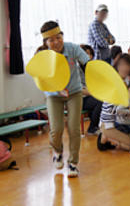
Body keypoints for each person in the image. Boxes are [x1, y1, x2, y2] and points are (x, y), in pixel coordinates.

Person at [37, 21, 90, 177]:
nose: (56, 42)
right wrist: (57, 89)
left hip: (74, 92)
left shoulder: (72, 48)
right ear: (46, 42)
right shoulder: (43, 56)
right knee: (56, 129)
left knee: (74, 128)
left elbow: (87, 62)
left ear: (62, 36)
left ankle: (73, 163)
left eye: (58, 37)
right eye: (51, 40)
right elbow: (41, 80)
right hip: (53, 95)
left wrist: (94, 73)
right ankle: (58, 152)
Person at [98, 54, 130, 151]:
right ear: (117, 65)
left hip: (122, 123)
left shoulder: (125, 82)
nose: (125, 68)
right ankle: (106, 137)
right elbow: (115, 110)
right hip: (109, 124)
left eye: (128, 66)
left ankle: (110, 138)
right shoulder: (113, 82)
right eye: (122, 65)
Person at [79, 44, 103, 135]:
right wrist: (94, 93)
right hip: (79, 99)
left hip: (89, 96)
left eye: (89, 54)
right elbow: (79, 89)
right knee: (100, 101)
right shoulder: (76, 69)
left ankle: (100, 126)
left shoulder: (91, 68)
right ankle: (92, 128)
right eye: (85, 53)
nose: (88, 56)